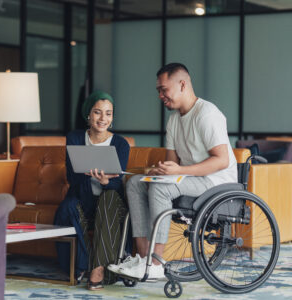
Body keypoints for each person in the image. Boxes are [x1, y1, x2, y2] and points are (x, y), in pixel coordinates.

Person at [108, 62, 237, 280]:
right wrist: (161, 169)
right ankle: (143, 259)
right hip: (191, 179)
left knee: (161, 187)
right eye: (158, 90)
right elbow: (172, 163)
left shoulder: (206, 114)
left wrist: (178, 171)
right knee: (135, 182)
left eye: (163, 90)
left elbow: (222, 160)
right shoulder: (174, 120)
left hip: (216, 181)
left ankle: (156, 262)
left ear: (183, 85)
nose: (160, 95)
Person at [54, 90, 131, 290]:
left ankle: (97, 268)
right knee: (67, 207)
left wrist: (106, 182)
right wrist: (88, 173)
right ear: (88, 114)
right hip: (82, 198)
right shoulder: (75, 137)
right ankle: (82, 265)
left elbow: (117, 182)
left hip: (110, 203)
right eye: (97, 112)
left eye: (108, 113)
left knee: (108, 198)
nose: (102, 118)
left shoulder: (121, 144)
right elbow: (71, 177)